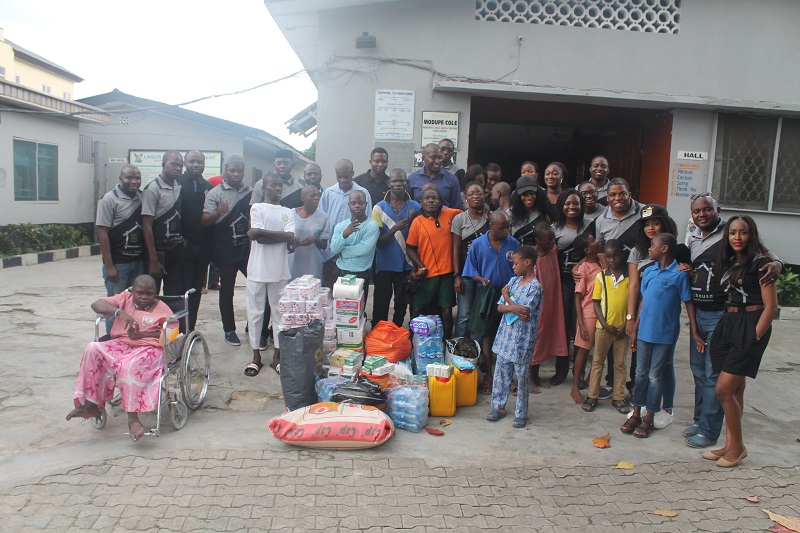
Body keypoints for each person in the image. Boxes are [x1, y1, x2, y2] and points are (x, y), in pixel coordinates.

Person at [683, 193, 782, 449]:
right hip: (700, 313)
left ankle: (709, 431)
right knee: (699, 372)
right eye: (696, 211)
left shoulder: (732, 230)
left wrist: (778, 263)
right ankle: (701, 421)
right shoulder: (693, 236)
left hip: (723, 315)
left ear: (718, 210)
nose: (702, 214)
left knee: (716, 377)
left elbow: (764, 252)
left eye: (707, 209)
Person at [703, 215, 778, 467]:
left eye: (743, 232)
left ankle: (738, 446)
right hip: (729, 322)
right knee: (735, 389)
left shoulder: (760, 264)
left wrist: (755, 336)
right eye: (733, 232)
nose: (737, 237)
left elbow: (771, 306)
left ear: (751, 235)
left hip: (751, 322)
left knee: (723, 389)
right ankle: (729, 444)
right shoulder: (728, 260)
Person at [66, 275, 175, 442]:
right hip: (122, 343)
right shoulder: (124, 298)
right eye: (139, 293)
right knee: (92, 348)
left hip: (149, 348)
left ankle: (133, 419)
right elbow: (96, 304)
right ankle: (91, 404)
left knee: (127, 366)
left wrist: (142, 334)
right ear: (132, 291)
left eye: (149, 293)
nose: (144, 297)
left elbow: (171, 333)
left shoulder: (163, 309)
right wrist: (120, 313)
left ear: (156, 293)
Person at [622, 233, 701, 439]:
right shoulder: (649, 272)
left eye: (652, 245)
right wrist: (635, 329)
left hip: (664, 335)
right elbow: (643, 302)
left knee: (655, 376)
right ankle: (636, 412)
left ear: (664, 248)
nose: (649, 249)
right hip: (644, 333)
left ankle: (650, 416)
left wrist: (694, 330)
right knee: (640, 374)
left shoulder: (679, 274)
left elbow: (688, 303)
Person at [625, 204, 690, 426]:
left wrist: (688, 269)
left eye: (656, 223)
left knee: (663, 368)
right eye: (646, 225)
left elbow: (685, 275)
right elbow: (635, 287)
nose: (650, 228)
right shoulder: (638, 252)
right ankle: (641, 407)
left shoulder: (676, 249)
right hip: (646, 321)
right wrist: (631, 318)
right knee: (643, 370)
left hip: (665, 323)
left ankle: (666, 408)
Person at [485, 245, 543, 429]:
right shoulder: (512, 282)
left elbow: (525, 313)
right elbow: (500, 307)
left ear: (527, 263)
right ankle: (498, 406)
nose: (513, 267)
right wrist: (511, 305)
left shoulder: (535, 287)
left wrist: (507, 298)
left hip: (522, 340)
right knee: (501, 373)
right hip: (505, 337)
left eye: (516, 263)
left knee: (522, 376)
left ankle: (520, 413)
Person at [463, 211, 519, 395]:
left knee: (508, 336)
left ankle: (509, 377)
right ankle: (489, 374)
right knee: (486, 335)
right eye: (501, 227)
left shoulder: (513, 244)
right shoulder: (478, 244)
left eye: (507, 226)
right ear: (491, 226)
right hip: (486, 295)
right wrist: (481, 279)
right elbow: (469, 270)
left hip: (509, 296)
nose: (506, 230)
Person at [245, 174, 295, 376]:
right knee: (255, 313)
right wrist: (282, 237)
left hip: (280, 269)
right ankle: (255, 355)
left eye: (279, 186)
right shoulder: (257, 208)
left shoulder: (288, 212)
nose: (277, 189)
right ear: (264, 188)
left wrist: (261, 233)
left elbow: (262, 235)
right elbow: (259, 238)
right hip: (257, 269)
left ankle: (277, 356)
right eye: (273, 185)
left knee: (280, 313)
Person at [202, 154, 253, 346]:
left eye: (239, 170)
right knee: (227, 292)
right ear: (226, 170)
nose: (236, 174)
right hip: (225, 250)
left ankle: (253, 324)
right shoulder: (215, 193)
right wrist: (218, 213)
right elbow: (205, 221)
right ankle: (229, 330)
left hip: (246, 250)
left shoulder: (252, 192)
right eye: (232, 170)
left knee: (258, 288)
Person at [581, 240, 630, 413]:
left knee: (620, 364)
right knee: (597, 362)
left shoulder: (629, 277)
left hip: (623, 329)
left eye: (615, 256)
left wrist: (626, 323)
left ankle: (618, 397)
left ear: (622, 255)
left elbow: (633, 303)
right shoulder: (601, 276)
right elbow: (595, 303)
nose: (612, 260)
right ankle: (592, 395)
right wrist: (603, 324)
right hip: (603, 328)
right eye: (608, 257)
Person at [406, 185, 462, 338]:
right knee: (416, 310)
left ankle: (445, 343)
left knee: (447, 312)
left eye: (434, 198)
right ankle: (414, 341)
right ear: (421, 202)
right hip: (425, 274)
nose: (431, 201)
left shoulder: (451, 214)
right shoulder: (417, 222)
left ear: (440, 201)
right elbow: (410, 247)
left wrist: (483, 207)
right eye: (427, 198)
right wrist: (421, 266)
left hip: (446, 273)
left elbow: (470, 213)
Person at [95, 164, 145, 331]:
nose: (133, 181)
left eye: (137, 178)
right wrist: (109, 265)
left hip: (138, 261)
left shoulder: (142, 197)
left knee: (135, 304)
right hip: (118, 264)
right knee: (116, 306)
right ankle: (112, 339)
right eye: (129, 178)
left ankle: (129, 338)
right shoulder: (109, 199)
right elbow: (103, 233)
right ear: (120, 178)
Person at [553, 189, 595, 376]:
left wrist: (579, 266)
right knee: (563, 327)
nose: (572, 207)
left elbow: (595, 252)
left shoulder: (591, 226)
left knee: (581, 326)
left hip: (586, 285)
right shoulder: (555, 228)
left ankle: (580, 373)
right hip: (563, 284)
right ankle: (561, 371)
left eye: (576, 203)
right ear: (561, 206)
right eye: (567, 203)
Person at [371, 169, 420, 327]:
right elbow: (378, 242)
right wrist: (394, 228)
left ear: (407, 183)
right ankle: (378, 336)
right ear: (388, 184)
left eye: (401, 181)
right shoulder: (379, 208)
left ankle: (395, 334)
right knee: (381, 305)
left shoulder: (415, 207)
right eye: (394, 181)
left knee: (401, 306)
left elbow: (419, 238)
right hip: (384, 265)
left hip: (406, 265)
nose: (398, 184)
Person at [320, 159, 372, 287]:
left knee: (353, 292)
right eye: (340, 177)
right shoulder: (329, 193)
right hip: (331, 250)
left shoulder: (363, 193)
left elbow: (367, 221)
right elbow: (322, 220)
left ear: (353, 173)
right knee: (330, 290)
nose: (343, 180)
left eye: (346, 177)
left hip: (353, 253)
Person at [177, 150, 213, 331]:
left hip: (203, 247)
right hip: (182, 246)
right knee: (181, 289)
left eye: (199, 162)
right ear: (185, 163)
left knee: (196, 289)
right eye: (192, 161)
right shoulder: (177, 183)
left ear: (204, 164)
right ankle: (178, 328)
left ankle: (190, 327)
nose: (196, 165)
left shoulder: (208, 187)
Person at [531, 222, 569, 390]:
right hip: (539, 309)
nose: (553, 242)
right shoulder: (533, 261)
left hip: (553, 304)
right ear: (538, 240)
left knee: (545, 340)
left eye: (553, 238)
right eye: (548, 239)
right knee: (536, 342)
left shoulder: (553, 252)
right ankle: (530, 380)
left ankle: (537, 377)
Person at [142, 150, 185, 296]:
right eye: (174, 164)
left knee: (173, 294)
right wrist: (153, 259)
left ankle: (171, 320)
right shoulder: (152, 189)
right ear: (163, 164)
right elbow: (146, 225)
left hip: (176, 250)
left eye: (180, 165)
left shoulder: (178, 187)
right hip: (158, 252)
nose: (178, 168)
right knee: (151, 295)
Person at [452, 182, 490, 337]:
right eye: (471, 194)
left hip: (485, 274)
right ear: (465, 197)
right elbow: (455, 248)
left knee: (481, 314)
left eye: (479, 193)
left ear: (484, 196)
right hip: (466, 274)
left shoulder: (491, 218)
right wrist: (457, 275)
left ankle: (477, 352)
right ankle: (458, 352)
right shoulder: (459, 219)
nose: (476, 197)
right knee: (464, 315)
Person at [569, 234, 603, 404]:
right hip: (588, 312)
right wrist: (581, 323)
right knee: (583, 350)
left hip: (604, 312)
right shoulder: (584, 268)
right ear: (588, 249)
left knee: (601, 350)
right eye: (592, 240)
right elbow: (577, 296)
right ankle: (575, 386)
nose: (597, 240)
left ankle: (590, 381)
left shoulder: (602, 259)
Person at [329, 190, 379, 300]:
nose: (357, 206)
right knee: (338, 309)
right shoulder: (340, 226)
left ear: (366, 204)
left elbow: (364, 249)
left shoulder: (372, 226)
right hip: (340, 272)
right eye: (353, 203)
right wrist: (344, 235)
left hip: (360, 274)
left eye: (361, 203)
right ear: (349, 205)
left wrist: (343, 251)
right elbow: (334, 249)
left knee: (357, 312)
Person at [595, 178, 641, 259]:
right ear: (607, 198)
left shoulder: (644, 212)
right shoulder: (600, 220)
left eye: (622, 194)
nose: (618, 198)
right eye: (613, 195)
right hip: (614, 269)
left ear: (629, 195)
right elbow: (600, 250)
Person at [290, 185, 329, 280]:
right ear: (302, 198)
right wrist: (292, 238)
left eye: (318, 195)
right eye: (312, 195)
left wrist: (314, 239)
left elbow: (324, 245)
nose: (316, 198)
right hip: (293, 262)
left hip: (313, 263)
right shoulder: (290, 214)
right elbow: (283, 236)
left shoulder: (323, 217)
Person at [407, 143, 461, 208]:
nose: (437, 161)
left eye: (440, 157)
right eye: (433, 158)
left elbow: (456, 207)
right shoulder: (412, 179)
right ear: (423, 158)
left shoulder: (451, 179)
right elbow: (408, 206)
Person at [509, 176, 549, 247]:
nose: (529, 197)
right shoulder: (510, 214)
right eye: (524, 194)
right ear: (518, 196)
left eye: (532, 193)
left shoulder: (544, 212)